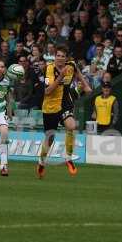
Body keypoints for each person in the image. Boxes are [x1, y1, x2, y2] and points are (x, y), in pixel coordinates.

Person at [36, 46, 92, 179]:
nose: (60, 58)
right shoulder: (49, 69)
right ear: (54, 57)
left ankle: (68, 157)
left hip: (65, 103)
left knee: (72, 126)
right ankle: (41, 162)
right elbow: (47, 91)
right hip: (50, 106)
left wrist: (86, 85)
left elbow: (77, 73)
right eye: (58, 55)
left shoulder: (71, 65)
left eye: (63, 56)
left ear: (66, 58)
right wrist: (61, 76)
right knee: (50, 138)